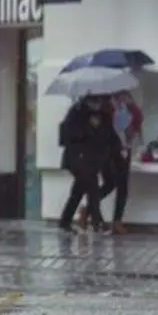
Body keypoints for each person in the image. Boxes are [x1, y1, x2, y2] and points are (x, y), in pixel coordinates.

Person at [58, 94, 120, 233]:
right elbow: (67, 135)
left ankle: (65, 221)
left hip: (93, 159)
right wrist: (88, 127)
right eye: (93, 102)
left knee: (78, 191)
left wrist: (118, 148)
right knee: (91, 186)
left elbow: (109, 135)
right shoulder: (76, 112)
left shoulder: (103, 115)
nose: (96, 105)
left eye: (98, 101)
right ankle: (97, 223)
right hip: (77, 159)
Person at [98, 90, 143, 234]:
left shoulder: (128, 104)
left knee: (123, 186)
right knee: (110, 183)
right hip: (108, 150)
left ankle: (117, 221)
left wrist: (131, 130)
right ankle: (89, 208)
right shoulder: (104, 105)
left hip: (124, 149)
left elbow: (137, 121)